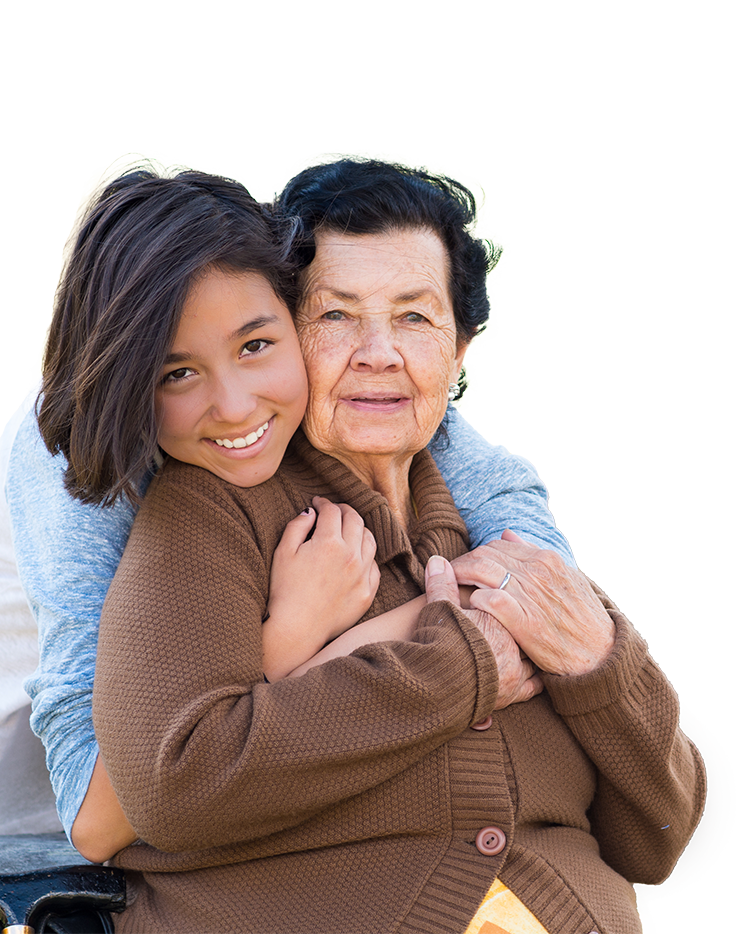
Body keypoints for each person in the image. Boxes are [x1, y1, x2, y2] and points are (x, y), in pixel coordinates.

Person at [0, 162, 576, 934]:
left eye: (257, 344)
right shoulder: (80, 458)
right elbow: (99, 801)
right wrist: (304, 635)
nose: (234, 405)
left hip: (177, 818)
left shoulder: (367, 401)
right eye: (178, 372)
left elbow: (537, 573)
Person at [91, 157, 705, 934]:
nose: (379, 352)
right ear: (281, 333)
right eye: (337, 316)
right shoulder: (214, 509)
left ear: (460, 352)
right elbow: (173, 787)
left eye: (415, 317)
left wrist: (598, 666)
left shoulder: (498, 537)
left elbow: (658, 837)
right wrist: (458, 664)